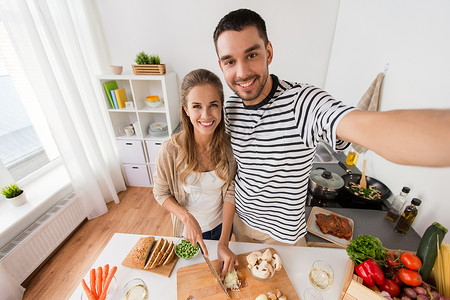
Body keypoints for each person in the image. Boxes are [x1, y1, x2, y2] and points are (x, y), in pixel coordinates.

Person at [212, 8, 450, 246]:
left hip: (282, 237)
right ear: (222, 66)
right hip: (240, 224)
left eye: (251, 55)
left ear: (269, 52)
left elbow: (367, 128)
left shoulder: (302, 102)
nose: (241, 72)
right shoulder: (230, 108)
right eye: (230, 61)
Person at [152, 68, 237, 276]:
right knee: (193, 278)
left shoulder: (229, 146)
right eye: (197, 106)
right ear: (186, 110)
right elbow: (160, 193)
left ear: (221, 107)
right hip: (187, 232)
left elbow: (230, 192)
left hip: (221, 227)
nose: (206, 115)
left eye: (213, 105)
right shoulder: (169, 150)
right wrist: (187, 218)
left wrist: (224, 241)